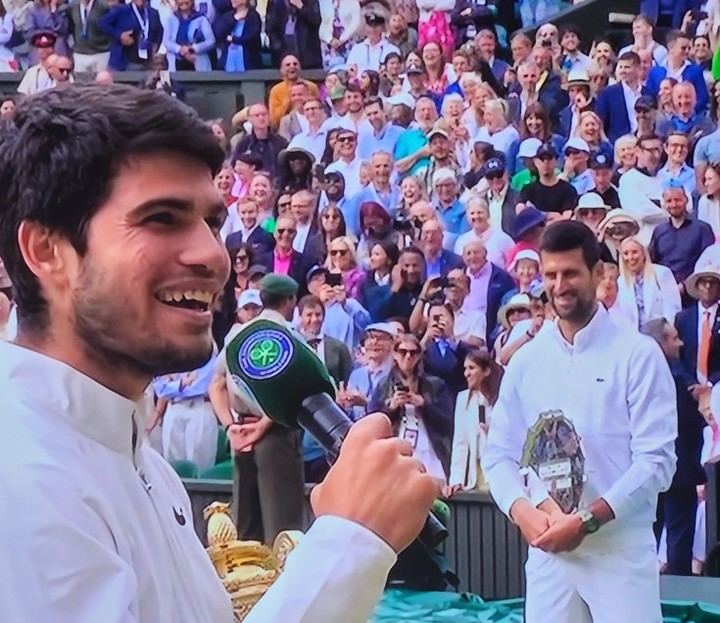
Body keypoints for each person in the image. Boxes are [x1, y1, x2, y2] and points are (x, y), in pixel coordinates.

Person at [0, 84, 441, 623]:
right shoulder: (19, 477)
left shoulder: (141, 462)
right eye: (161, 218)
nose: (214, 255)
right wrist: (349, 544)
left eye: (212, 222)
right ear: (47, 251)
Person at [483, 220, 676, 623]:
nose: (559, 285)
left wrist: (587, 521)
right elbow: (498, 455)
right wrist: (525, 513)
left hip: (619, 553)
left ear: (600, 273)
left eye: (570, 273)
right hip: (549, 553)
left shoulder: (637, 355)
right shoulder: (526, 361)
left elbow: (656, 463)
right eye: (550, 275)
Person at [641, 318, 707, 576]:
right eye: (674, 337)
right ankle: (678, 599)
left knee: (649, 533)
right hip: (678, 470)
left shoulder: (639, 377)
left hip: (647, 470)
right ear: (660, 343)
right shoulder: (675, 379)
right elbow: (689, 424)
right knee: (679, 538)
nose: (680, 343)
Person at [369, 333, 453, 482]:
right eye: (403, 352)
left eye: (413, 352)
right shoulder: (383, 386)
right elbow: (371, 425)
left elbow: (448, 423)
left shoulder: (435, 385)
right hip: (397, 450)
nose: (408, 356)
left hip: (429, 449)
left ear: (419, 355)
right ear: (394, 354)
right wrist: (392, 408)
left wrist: (423, 404)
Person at [445, 348, 502, 496]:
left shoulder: (501, 398)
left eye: (471, 368)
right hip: (474, 474)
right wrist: (456, 480)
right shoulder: (463, 398)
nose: (466, 374)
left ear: (486, 371)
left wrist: (493, 432)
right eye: (465, 369)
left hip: (498, 471)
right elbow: (460, 442)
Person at [649, 184, 714, 287]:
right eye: (669, 201)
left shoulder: (702, 229)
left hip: (695, 290)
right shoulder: (658, 231)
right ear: (664, 204)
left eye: (678, 200)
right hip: (664, 291)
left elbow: (709, 264)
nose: (674, 204)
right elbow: (652, 264)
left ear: (686, 200)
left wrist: (684, 285)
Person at [617, 236, 682, 327]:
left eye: (634, 252)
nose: (630, 257)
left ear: (644, 253)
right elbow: (622, 315)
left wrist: (664, 331)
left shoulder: (661, 273)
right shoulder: (621, 281)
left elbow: (673, 308)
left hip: (661, 333)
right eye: (626, 253)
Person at [676, 263, 720, 392]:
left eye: (712, 283)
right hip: (689, 391)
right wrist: (690, 384)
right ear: (696, 286)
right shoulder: (682, 318)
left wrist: (711, 384)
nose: (707, 286)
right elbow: (676, 357)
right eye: (703, 282)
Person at [618, 134, 667, 245]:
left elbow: (687, 206)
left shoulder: (666, 177)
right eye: (650, 150)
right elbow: (642, 212)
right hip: (643, 241)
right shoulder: (628, 179)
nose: (656, 155)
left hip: (668, 240)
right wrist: (670, 212)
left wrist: (660, 205)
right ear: (638, 151)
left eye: (658, 150)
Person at [645, 29, 709, 114]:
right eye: (683, 48)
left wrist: (687, 111)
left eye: (689, 48)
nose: (687, 51)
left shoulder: (695, 71)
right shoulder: (655, 72)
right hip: (661, 119)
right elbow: (649, 98)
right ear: (670, 47)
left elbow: (703, 98)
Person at [520, 143, 578, 219]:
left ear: (556, 161)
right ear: (535, 161)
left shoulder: (568, 189)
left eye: (549, 158)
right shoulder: (528, 189)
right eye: (541, 159)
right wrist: (548, 215)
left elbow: (567, 216)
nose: (545, 163)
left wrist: (537, 215)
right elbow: (520, 211)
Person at [454, 195, 513, 270]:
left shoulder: (503, 239)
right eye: (472, 213)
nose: (476, 216)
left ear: (488, 214)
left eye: (480, 212)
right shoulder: (461, 241)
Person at [596, 51, 644, 143]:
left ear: (637, 68)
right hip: (618, 144)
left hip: (643, 143)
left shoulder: (647, 93)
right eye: (621, 67)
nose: (622, 71)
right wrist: (606, 142)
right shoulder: (608, 93)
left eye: (627, 67)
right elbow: (600, 121)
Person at [268, 54, 321, 129]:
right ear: (282, 70)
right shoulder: (276, 90)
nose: (292, 66)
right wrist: (288, 101)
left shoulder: (311, 87)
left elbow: (320, 109)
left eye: (295, 64)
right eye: (288, 65)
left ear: (300, 68)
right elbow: (273, 120)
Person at [265, 0, 322, 70]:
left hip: (308, 59)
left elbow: (316, 20)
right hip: (283, 55)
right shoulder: (276, 2)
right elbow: (270, 29)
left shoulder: (311, 2)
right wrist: (279, 49)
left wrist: (301, 7)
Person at [213, 0, 262, 72]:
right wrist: (235, 18)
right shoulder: (227, 15)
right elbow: (218, 32)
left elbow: (251, 38)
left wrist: (233, 39)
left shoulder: (253, 16)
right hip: (228, 63)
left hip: (248, 63)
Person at [67, 0, 112, 72]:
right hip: (80, 53)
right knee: (80, 81)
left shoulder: (103, 6)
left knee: (100, 81)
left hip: (100, 52)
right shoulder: (73, 7)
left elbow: (110, 26)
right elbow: (71, 27)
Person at [698, 163, 720, 239]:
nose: (706, 184)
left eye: (710, 179)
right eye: (705, 179)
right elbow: (702, 232)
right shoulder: (704, 201)